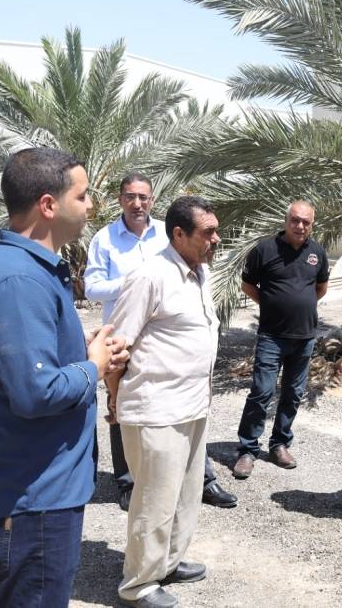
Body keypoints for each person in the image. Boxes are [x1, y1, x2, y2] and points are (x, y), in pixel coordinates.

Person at [0, 148, 128, 607]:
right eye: (83, 195)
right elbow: (36, 392)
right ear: (49, 205)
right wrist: (93, 366)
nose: (91, 205)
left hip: (30, 497)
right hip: (30, 502)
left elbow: (29, 365)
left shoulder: (25, 271)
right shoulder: (18, 280)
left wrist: (82, 351)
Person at [85, 172, 236, 511]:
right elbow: (92, 287)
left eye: (143, 197)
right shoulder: (106, 240)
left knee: (186, 426)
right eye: (130, 196)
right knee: (125, 409)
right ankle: (129, 483)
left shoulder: (170, 235)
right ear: (120, 199)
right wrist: (139, 282)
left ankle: (203, 481)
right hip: (128, 333)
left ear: (152, 200)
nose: (137, 203)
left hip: (171, 349)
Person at [109, 195, 222, 608]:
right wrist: (114, 399)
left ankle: (167, 563)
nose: (216, 239)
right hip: (155, 409)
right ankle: (138, 585)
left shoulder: (200, 272)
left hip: (193, 405)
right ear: (179, 234)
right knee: (154, 501)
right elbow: (116, 346)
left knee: (185, 496)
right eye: (208, 232)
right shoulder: (150, 276)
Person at [233, 200, 329, 479]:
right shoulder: (264, 250)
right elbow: (247, 284)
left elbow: (321, 288)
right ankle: (247, 449)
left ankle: (279, 444)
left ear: (312, 225)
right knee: (262, 392)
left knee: (293, 394)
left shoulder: (317, 253)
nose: (300, 226)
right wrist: (271, 304)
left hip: (304, 337)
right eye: (295, 220)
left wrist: (299, 305)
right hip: (271, 336)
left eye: (306, 222)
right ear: (286, 221)